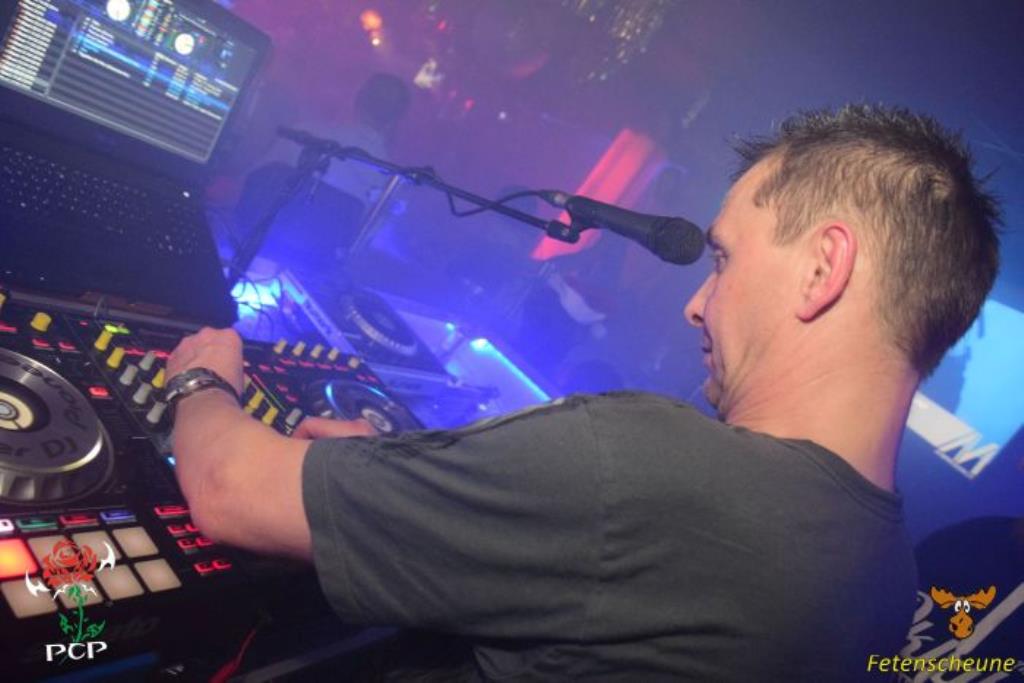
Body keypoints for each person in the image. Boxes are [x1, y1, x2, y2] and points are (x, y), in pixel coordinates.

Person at [166, 105, 1001, 681]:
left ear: (823, 268)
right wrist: (402, 482)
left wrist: (203, 377)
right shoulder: (887, 570)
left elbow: (230, 489)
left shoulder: (643, 465)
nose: (698, 303)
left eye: (724, 258)